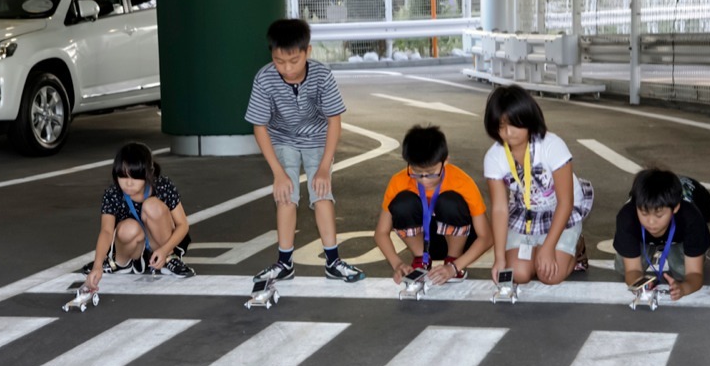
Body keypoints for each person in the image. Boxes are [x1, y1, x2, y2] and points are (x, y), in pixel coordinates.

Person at [245, 18, 365, 283]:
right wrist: (278, 173)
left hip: (317, 138)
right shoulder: (264, 78)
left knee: (321, 192)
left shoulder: (322, 75)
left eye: (294, 61)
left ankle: (333, 262)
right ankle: (284, 263)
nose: (286, 69)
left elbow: (334, 120)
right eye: (279, 61)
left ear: (308, 52)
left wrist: (324, 168)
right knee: (285, 194)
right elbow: (259, 126)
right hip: (282, 138)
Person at [483, 85, 594, 286]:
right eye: (500, 126)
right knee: (519, 274)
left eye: (514, 124)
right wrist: (499, 258)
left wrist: (549, 247)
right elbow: (499, 209)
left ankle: (576, 248)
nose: (508, 133)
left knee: (549, 275)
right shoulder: (494, 157)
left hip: (559, 209)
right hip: (525, 213)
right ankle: (538, 251)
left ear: (528, 119)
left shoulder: (552, 145)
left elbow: (565, 201)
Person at [374, 124, 493, 285]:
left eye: (431, 173)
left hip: (459, 240)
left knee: (450, 201)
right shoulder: (399, 181)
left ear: (445, 162)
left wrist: (455, 267)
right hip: (424, 242)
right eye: (416, 172)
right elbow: (381, 232)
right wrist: (398, 264)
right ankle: (420, 259)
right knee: (403, 203)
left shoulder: (462, 182)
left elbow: (487, 237)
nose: (424, 180)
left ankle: (453, 258)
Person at [82, 142, 195, 289]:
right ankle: (121, 263)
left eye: (135, 177)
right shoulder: (112, 193)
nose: (128, 183)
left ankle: (169, 259)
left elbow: (183, 225)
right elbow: (107, 231)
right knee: (128, 228)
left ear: (147, 173)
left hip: (160, 244)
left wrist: (165, 250)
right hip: (134, 246)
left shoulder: (162, 186)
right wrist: (97, 265)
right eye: (122, 176)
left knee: (152, 206)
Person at [613, 168, 710, 301]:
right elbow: (632, 271)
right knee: (622, 268)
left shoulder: (691, 218)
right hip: (645, 235)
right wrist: (640, 285)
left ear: (675, 208)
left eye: (659, 215)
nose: (651, 222)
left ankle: (698, 251)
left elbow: (694, 274)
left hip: (683, 230)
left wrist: (684, 288)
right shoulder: (627, 217)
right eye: (644, 213)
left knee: (682, 271)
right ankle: (658, 243)